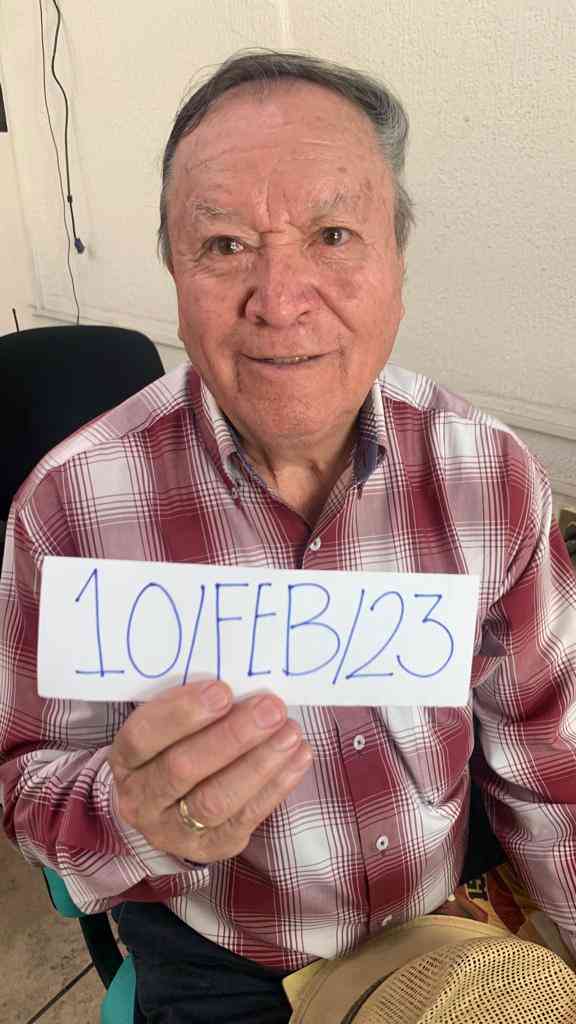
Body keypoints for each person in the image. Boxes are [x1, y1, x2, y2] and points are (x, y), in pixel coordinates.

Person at [1, 50, 575, 1024]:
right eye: (225, 244)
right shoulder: (67, 510)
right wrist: (130, 816)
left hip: (439, 915)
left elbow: (553, 766)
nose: (280, 299)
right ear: (175, 273)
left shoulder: (491, 474)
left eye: (333, 235)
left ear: (396, 265)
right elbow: (30, 793)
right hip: (221, 949)